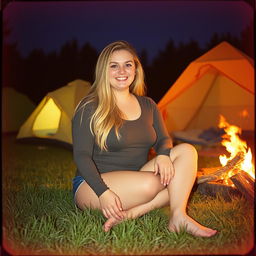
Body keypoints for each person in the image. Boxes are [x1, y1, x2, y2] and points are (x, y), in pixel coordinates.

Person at [72, 40, 217, 237]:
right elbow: (81, 156)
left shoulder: (148, 105)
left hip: (138, 176)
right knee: (171, 182)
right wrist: (103, 193)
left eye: (128, 64)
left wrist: (164, 155)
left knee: (187, 151)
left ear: (136, 69)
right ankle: (156, 201)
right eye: (113, 65)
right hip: (92, 187)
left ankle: (176, 216)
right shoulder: (89, 106)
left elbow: (164, 139)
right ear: (102, 71)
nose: (122, 71)